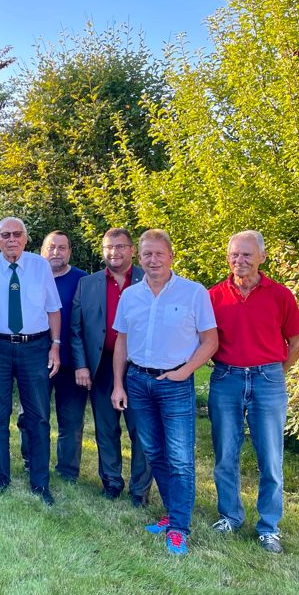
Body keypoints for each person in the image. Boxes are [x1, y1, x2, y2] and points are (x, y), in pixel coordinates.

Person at [111, 229, 218, 555]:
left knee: (180, 459)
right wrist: (118, 383)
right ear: (139, 258)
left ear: (171, 255)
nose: (153, 260)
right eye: (147, 255)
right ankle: (173, 514)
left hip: (175, 384)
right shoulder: (130, 295)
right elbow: (122, 342)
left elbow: (210, 340)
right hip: (138, 383)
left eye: (159, 253)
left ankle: (179, 528)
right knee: (153, 452)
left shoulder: (193, 292)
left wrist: (184, 372)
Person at [208, 230, 299, 554]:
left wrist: (275, 374)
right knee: (225, 454)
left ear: (262, 257)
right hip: (227, 379)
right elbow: (205, 341)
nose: (240, 260)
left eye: (247, 254)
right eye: (234, 254)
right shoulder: (214, 296)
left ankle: (268, 527)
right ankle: (230, 516)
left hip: (268, 380)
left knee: (271, 458)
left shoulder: (280, 295)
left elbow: (297, 344)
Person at [0, 217, 62, 504]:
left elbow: (53, 309)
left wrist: (55, 347)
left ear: (26, 238)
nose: (11, 239)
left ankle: (40, 482)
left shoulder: (40, 266)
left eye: (16, 234)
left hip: (35, 347)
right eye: (5, 235)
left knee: (39, 415)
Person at [70, 228, 152, 506]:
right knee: (106, 428)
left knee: (141, 430)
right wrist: (81, 365)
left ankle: (140, 491)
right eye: (108, 247)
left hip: (141, 367)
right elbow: (76, 328)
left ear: (131, 250)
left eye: (119, 247)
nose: (113, 252)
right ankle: (112, 482)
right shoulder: (88, 283)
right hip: (101, 365)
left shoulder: (149, 279)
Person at [19, 231, 88, 483]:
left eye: (62, 248)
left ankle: (67, 470)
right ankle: (31, 461)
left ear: (70, 251)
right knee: (31, 414)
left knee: (71, 420)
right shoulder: (28, 276)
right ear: (41, 250)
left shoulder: (83, 281)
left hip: (72, 362)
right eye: (51, 247)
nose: (56, 252)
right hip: (34, 358)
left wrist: (85, 363)